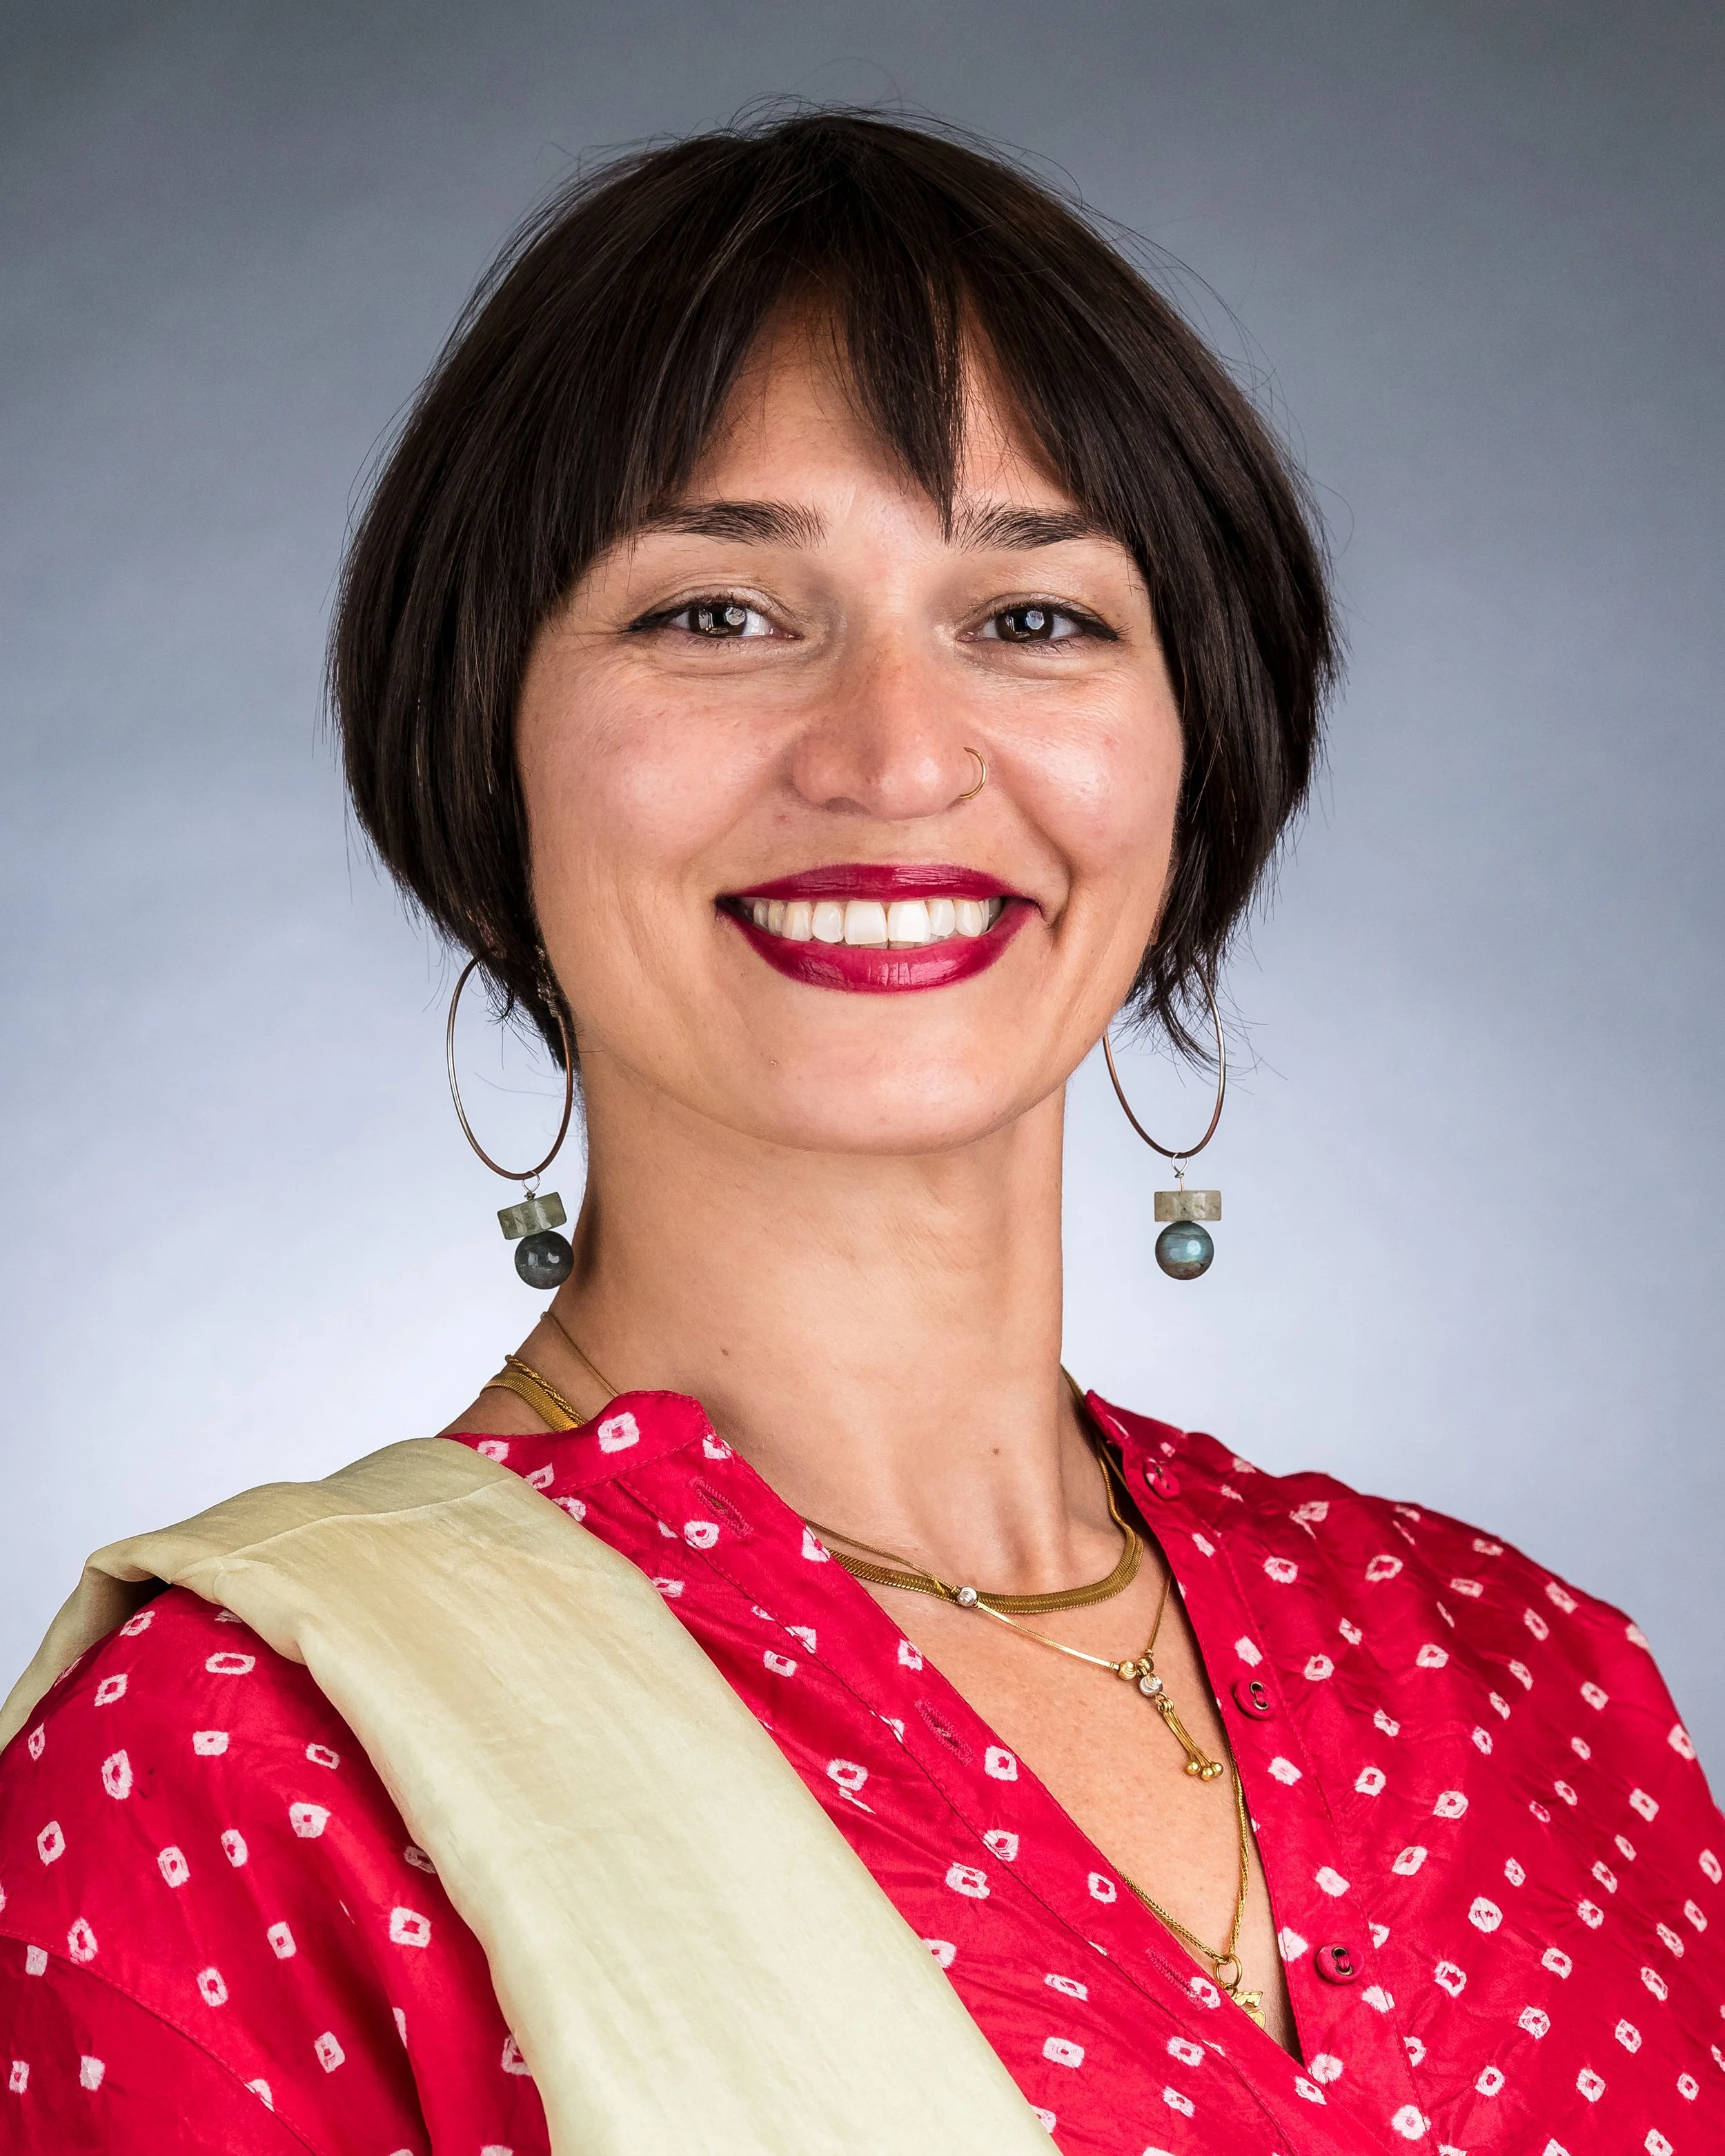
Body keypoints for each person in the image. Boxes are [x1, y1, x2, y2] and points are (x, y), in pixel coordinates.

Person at [0, 110, 1717, 2156]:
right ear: (486, 746)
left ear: (1196, 755)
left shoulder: (1527, 1675)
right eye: (719, 613)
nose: (896, 757)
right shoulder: (236, 1772)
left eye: (1033, 618)